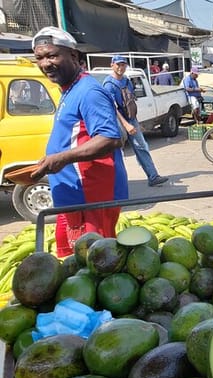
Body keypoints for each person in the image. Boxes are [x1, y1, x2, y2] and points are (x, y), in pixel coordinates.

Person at [30, 27, 128, 258]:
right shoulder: (68, 89)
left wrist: (60, 158)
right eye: (40, 58)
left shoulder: (89, 91)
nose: (46, 64)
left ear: (73, 56)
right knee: (72, 261)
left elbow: (109, 138)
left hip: (92, 197)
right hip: (73, 197)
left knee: (97, 263)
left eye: (53, 55)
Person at [103, 55, 168, 187]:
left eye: (123, 65)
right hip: (118, 122)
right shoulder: (108, 85)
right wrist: (126, 125)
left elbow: (130, 102)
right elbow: (113, 109)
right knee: (118, 152)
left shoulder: (126, 81)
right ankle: (117, 182)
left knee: (142, 147)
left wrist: (135, 123)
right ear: (112, 65)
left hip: (131, 119)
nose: (121, 67)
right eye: (118, 65)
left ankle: (153, 176)